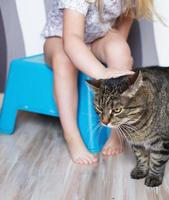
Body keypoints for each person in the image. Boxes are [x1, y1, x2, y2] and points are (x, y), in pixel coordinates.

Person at [41, 0, 154, 164]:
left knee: (119, 50)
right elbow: (72, 39)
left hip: (97, 37)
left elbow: (126, 18)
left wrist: (116, 53)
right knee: (63, 59)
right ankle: (72, 136)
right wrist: (102, 72)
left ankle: (117, 133)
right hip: (62, 37)